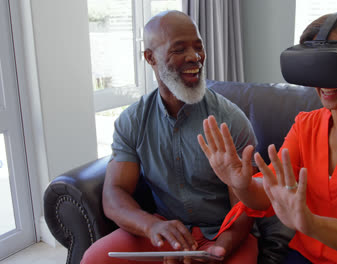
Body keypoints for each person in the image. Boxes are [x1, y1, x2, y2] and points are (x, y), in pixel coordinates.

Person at [198, 12, 337, 264]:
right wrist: (242, 186)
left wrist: (314, 225)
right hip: (305, 257)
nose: (324, 80)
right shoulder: (305, 125)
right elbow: (269, 190)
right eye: (315, 66)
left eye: (333, 64)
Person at [81, 10, 259, 264]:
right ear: (150, 57)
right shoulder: (132, 120)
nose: (194, 57)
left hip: (224, 234)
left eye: (198, 47)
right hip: (164, 232)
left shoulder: (230, 120)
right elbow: (114, 193)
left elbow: (243, 208)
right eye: (179, 49)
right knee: (95, 259)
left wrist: (220, 249)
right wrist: (150, 226)